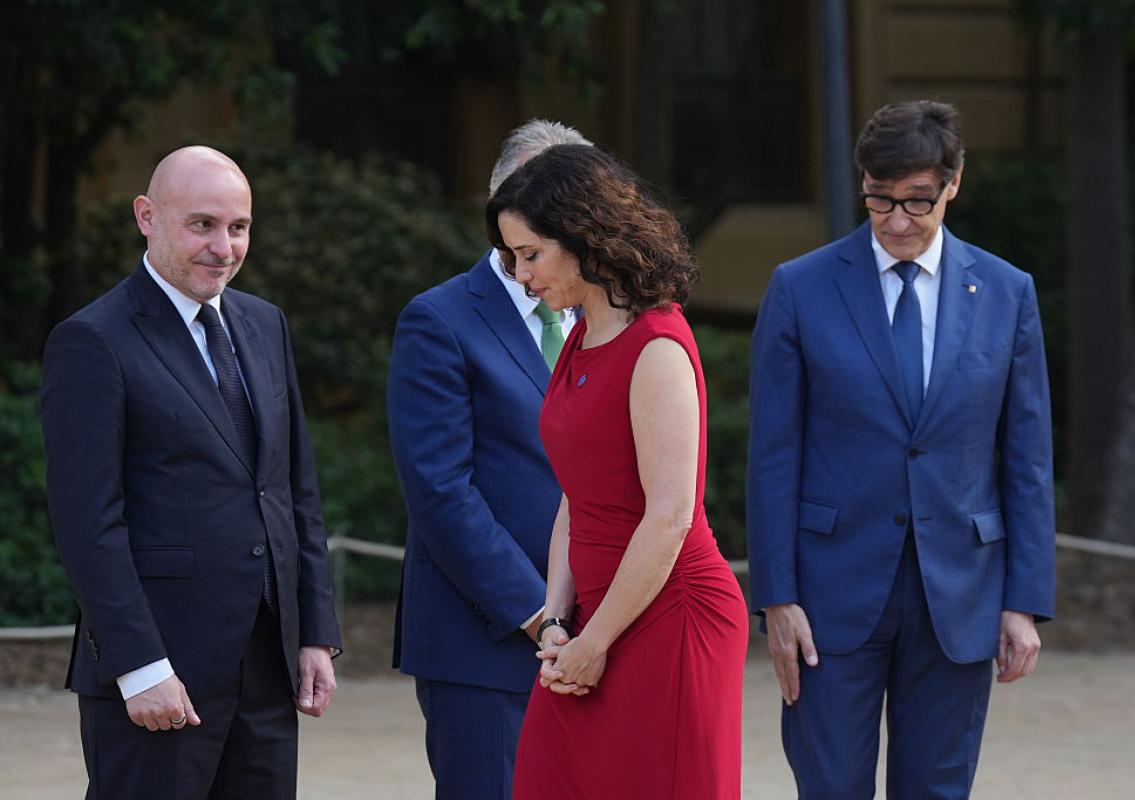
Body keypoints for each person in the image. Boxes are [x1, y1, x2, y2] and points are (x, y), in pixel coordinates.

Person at [747, 99, 1056, 799]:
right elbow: (771, 454)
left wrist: (1024, 601)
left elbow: (1027, 460)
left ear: (953, 182)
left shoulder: (1008, 292)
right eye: (878, 200)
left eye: (917, 202)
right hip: (829, 595)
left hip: (962, 595)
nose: (895, 221)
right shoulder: (800, 288)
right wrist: (776, 597)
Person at [40, 145, 342, 798]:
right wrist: (140, 666)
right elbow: (88, 522)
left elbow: (293, 489)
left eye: (239, 227)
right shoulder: (91, 341)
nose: (224, 247)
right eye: (202, 224)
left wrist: (314, 632)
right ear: (146, 216)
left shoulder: (265, 324)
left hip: (267, 668)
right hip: (158, 672)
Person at [486, 144, 749, 799]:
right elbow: (580, 495)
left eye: (530, 253)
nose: (521, 275)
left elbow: (669, 515)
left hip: (672, 620)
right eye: (512, 257)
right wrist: (555, 621)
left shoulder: (656, 344)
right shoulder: (579, 333)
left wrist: (592, 642)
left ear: (583, 237)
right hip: (593, 624)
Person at [386, 119, 592, 799]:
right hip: (486, 642)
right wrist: (543, 617)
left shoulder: (609, 318)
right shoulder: (439, 319)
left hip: (600, 637)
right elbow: (440, 492)